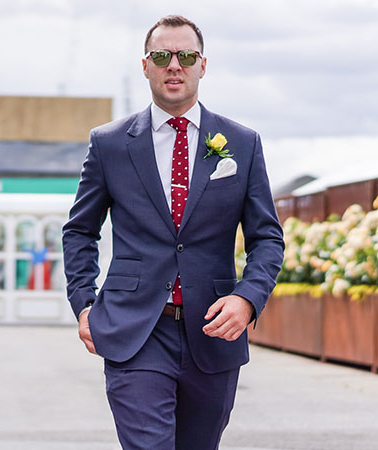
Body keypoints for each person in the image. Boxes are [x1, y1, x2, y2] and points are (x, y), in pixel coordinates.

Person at [62, 15, 285, 450]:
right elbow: (80, 231)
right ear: (145, 65)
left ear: (203, 65)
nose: (174, 65)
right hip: (135, 331)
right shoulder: (109, 143)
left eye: (186, 56)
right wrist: (84, 304)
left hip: (213, 332)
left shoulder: (242, 143)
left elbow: (267, 239)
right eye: (162, 56)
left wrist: (247, 298)